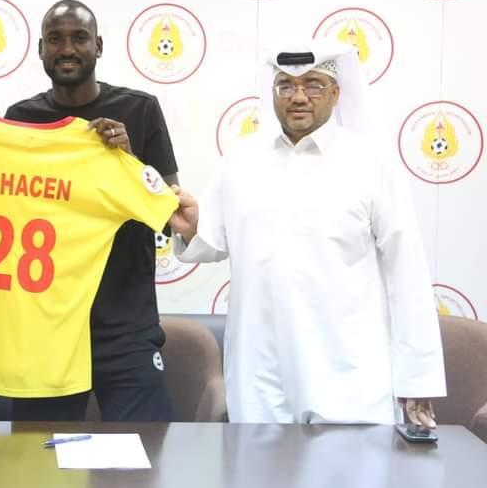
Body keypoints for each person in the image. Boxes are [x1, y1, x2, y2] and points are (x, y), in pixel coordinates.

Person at [168, 39, 446, 427]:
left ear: (336, 93)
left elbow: (407, 272)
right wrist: (192, 227)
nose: (298, 97)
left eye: (313, 85)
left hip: (348, 378)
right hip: (260, 375)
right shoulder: (242, 161)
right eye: (286, 86)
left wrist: (417, 379)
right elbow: (212, 241)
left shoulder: (371, 163)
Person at [3, 0, 179, 421]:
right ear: (40, 49)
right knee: (38, 455)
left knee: (150, 449)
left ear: (98, 46)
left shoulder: (140, 110)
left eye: (79, 38)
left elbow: (168, 215)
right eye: (55, 39)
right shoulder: (19, 119)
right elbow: (7, 214)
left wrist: (129, 162)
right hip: (47, 327)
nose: (67, 49)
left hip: (126, 327)